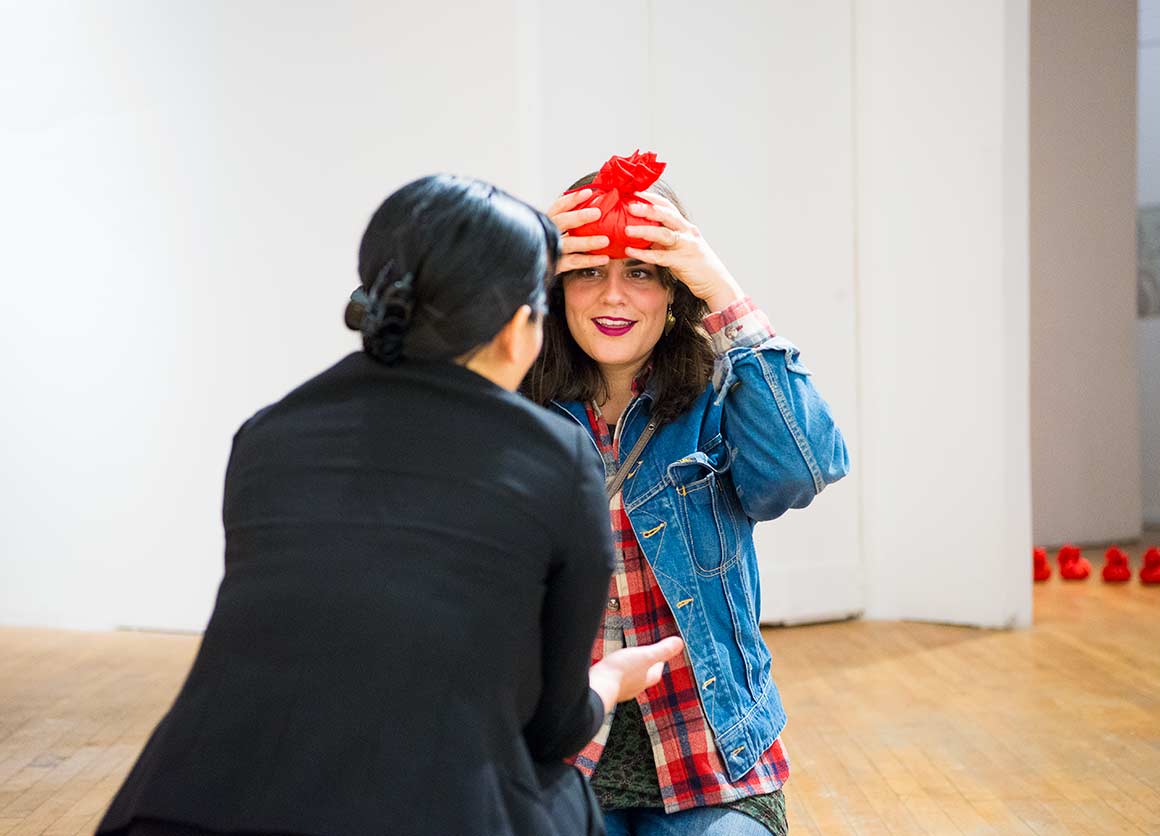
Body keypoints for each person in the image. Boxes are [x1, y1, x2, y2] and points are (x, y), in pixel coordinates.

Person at [97, 174, 682, 836]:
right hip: (427, 813)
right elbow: (552, 729)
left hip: (178, 808)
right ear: (521, 329)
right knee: (562, 794)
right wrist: (609, 680)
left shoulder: (267, 435)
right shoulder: (556, 458)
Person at [524, 156, 850, 836]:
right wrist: (514, 257)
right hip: (557, 764)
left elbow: (805, 469)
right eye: (588, 272)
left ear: (674, 291)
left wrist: (724, 290)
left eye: (640, 273)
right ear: (556, 288)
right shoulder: (512, 405)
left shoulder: (719, 397)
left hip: (711, 761)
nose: (613, 296)